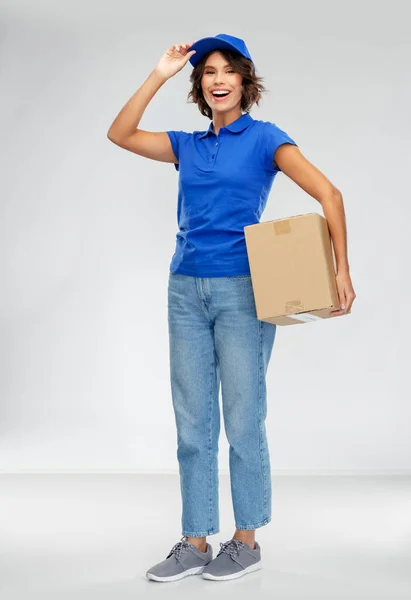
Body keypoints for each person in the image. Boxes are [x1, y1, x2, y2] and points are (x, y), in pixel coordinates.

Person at [107, 34, 356, 583]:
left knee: (243, 419)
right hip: (184, 290)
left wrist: (340, 268)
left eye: (228, 71)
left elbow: (329, 194)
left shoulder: (266, 139)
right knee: (193, 424)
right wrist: (160, 73)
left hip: (246, 291)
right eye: (208, 73)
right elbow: (119, 133)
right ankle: (196, 539)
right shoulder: (188, 145)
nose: (218, 80)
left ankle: (245, 540)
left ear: (245, 81)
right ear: (199, 86)